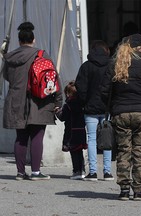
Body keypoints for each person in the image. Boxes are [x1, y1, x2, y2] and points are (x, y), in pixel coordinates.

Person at [101, 33, 141, 201]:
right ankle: (138, 190)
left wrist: (110, 108)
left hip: (120, 113)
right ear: (140, 48)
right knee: (140, 152)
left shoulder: (115, 65)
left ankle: (124, 189)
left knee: (124, 150)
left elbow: (104, 91)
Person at [2, 22, 63, 180]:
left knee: (20, 137)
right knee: (37, 136)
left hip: (16, 100)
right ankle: (36, 172)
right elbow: (53, 78)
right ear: (33, 39)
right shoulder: (41, 55)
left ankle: (20, 173)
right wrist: (58, 101)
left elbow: (7, 77)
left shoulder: (10, 57)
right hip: (39, 101)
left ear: (19, 40)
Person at [75, 40, 114, 181]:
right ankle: (107, 172)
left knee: (91, 139)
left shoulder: (86, 66)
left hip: (90, 108)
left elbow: (80, 86)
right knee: (107, 138)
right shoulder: (111, 65)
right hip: (106, 109)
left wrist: (85, 101)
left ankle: (93, 172)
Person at [55, 81, 87, 180]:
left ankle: (76, 171)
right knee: (80, 152)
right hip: (81, 131)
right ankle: (82, 170)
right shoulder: (82, 105)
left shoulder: (68, 105)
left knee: (73, 152)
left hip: (71, 132)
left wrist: (57, 111)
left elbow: (63, 117)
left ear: (68, 93)